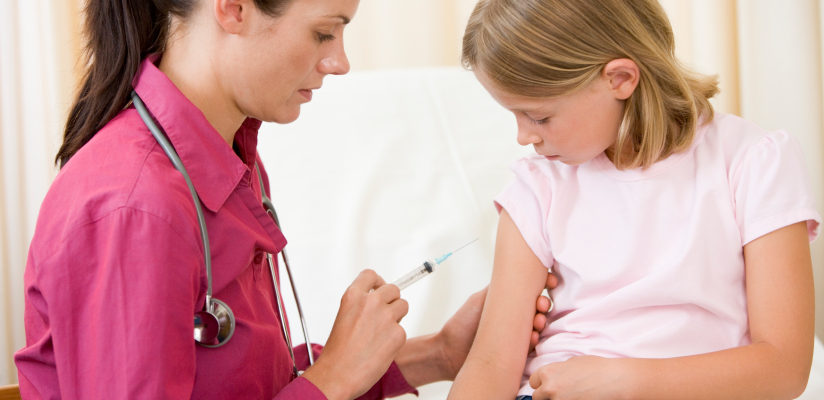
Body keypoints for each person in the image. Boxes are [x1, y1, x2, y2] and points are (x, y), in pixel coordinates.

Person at [13, 0, 556, 399]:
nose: (339, 62)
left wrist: (436, 353)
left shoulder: (231, 156)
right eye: (324, 33)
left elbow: (243, 383)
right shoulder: (135, 208)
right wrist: (333, 378)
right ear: (234, 9)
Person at [448, 0, 822, 399]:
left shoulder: (751, 161)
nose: (524, 136)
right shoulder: (538, 186)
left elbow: (784, 368)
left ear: (621, 79)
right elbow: (491, 364)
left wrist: (622, 381)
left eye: (539, 117)